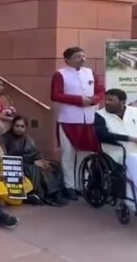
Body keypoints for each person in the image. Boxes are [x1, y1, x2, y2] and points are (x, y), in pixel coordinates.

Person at [50, 46, 104, 200]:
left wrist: (95, 99)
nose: (82, 59)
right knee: (68, 154)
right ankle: (70, 186)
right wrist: (78, 100)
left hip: (88, 119)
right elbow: (55, 95)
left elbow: (100, 89)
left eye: (83, 56)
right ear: (67, 60)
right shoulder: (60, 74)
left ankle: (82, 184)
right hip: (68, 120)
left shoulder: (90, 72)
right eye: (77, 56)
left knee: (85, 153)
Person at [1, 116, 67, 206]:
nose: (19, 129)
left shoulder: (27, 138)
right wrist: (33, 162)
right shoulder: (5, 138)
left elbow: (34, 153)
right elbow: (8, 157)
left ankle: (57, 193)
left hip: (30, 161)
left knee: (55, 165)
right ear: (12, 125)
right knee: (35, 168)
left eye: (22, 126)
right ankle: (46, 195)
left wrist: (41, 160)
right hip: (14, 164)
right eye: (17, 126)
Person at [94, 88, 137, 210]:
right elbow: (102, 135)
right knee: (133, 163)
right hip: (115, 152)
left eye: (111, 100)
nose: (107, 102)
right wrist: (129, 138)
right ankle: (131, 203)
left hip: (134, 149)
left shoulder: (134, 111)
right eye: (106, 99)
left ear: (122, 102)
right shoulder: (100, 115)